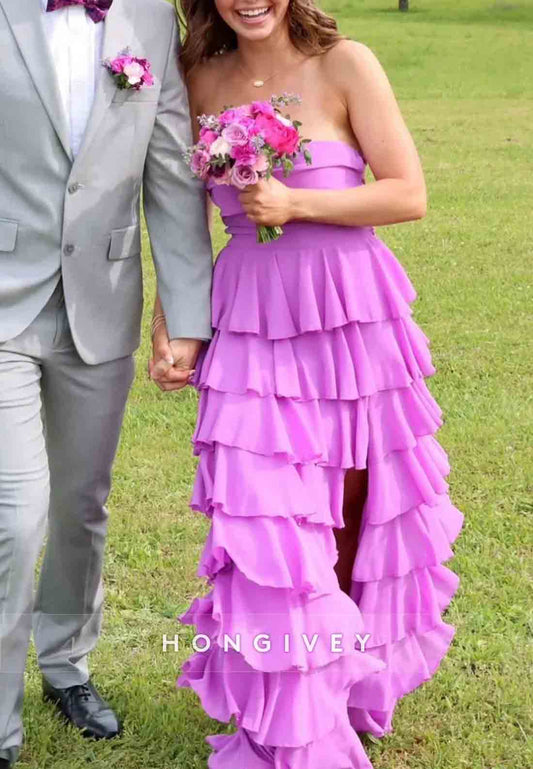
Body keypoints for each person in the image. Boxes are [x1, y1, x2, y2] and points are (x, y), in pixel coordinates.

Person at [151, 0, 464, 766]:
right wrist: (171, 327)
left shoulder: (345, 64)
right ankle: (287, 710)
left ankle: (351, 684)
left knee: (353, 510)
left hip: (351, 311)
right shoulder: (196, 76)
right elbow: (179, 217)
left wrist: (297, 203)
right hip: (252, 316)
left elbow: (406, 192)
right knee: (267, 516)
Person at [0, 0, 212, 765]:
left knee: (81, 504)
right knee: (15, 513)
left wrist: (186, 315)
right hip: (3, 308)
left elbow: (170, 174)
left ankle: (66, 665)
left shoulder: (152, 22)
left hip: (102, 304)